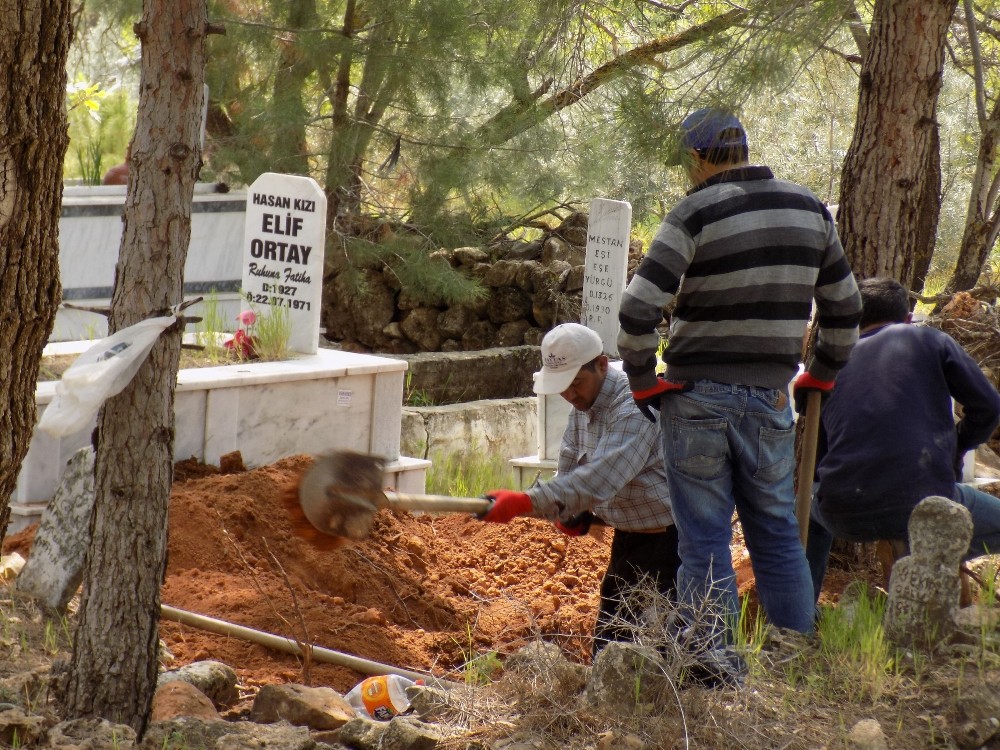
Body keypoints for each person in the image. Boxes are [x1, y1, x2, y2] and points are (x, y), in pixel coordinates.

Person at [617, 108, 862, 641]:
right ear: (745, 150)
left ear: (696, 158)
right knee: (776, 535)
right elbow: (845, 309)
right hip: (771, 399)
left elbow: (638, 310)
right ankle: (793, 659)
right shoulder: (810, 210)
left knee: (703, 542)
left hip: (695, 398)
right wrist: (820, 373)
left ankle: (715, 671)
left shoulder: (694, 212)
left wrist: (642, 379)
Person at [480, 323, 680, 657]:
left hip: (669, 546)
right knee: (610, 646)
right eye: (562, 387)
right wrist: (572, 511)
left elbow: (598, 479)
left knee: (652, 654)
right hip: (630, 539)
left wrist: (525, 501)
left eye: (576, 383)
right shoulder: (583, 408)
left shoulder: (635, 407)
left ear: (602, 364)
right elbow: (571, 470)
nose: (570, 395)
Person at [806, 277, 1000, 597]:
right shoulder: (930, 340)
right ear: (908, 318)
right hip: (924, 504)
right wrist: (957, 446)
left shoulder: (832, 365)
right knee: (942, 521)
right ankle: (933, 582)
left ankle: (802, 616)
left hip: (843, 513)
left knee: (808, 511)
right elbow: (989, 407)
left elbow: (821, 457)